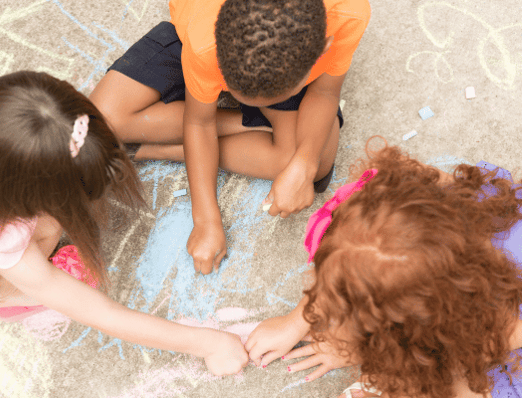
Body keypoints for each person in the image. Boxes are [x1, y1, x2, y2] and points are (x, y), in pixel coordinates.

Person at [0, 65, 248, 376]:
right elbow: (98, 311)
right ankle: (7, 296)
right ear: (18, 194)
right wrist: (209, 344)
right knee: (39, 248)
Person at [89, 0, 371, 274]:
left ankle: (161, 150)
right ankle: (253, 129)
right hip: (204, 40)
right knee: (103, 118)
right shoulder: (206, 41)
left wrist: (304, 164)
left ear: (322, 50)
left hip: (264, 56)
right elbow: (200, 122)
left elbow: (324, 92)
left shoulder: (347, 12)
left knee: (317, 164)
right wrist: (205, 219)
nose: (223, 95)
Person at [245, 140, 522, 397]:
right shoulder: (429, 196)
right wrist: (296, 321)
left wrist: (376, 362)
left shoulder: (491, 331)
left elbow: (452, 363)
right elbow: (353, 263)